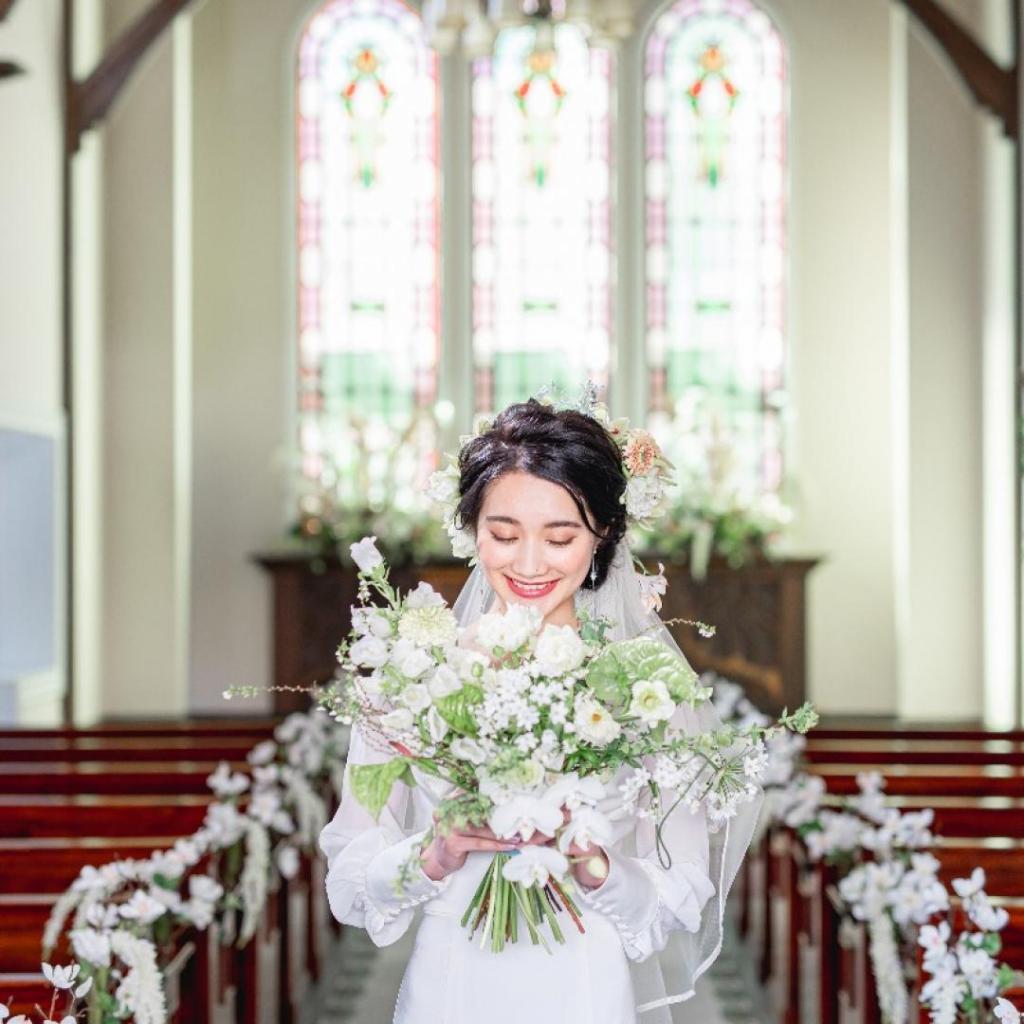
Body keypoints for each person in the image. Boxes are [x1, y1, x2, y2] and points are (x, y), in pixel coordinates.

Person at [318, 397, 760, 1023]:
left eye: (559, 538)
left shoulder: (648, 693)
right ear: (471, 530)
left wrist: (598, 868)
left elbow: (682, 889)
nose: (528, 564)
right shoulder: (410, 678)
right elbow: (350, 878)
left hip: (586, 987)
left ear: (602, 536)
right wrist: (432, 855)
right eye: (503, 535)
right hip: (451, 986)